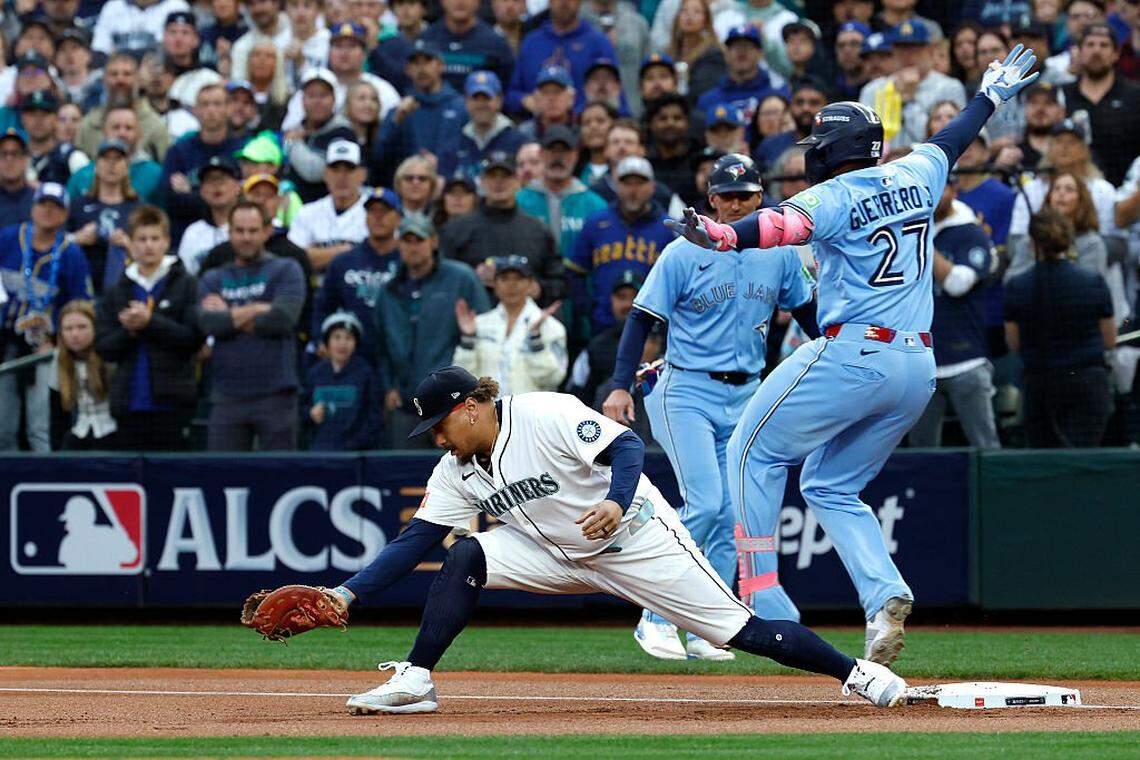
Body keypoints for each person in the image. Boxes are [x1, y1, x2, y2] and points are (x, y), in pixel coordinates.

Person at [669, 45, 1041, 663]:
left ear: (828, 153)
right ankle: (884, 595)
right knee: (831, 485)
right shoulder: (917, 173)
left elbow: (780, 228)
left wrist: (726, 232)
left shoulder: (835, 195)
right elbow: (953, 137)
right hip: (917, 365)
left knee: (750, 447)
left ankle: (761, 592)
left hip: (856, 353)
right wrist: (991, 96)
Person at [324, 366, 907, 714]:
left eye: (441, 425)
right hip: (554, 553)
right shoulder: (456, 470)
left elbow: (626, 446)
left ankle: (859, 674)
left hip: (635, 539)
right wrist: (345, 596)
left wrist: (615, 499)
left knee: (743, 631)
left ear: (472, 407)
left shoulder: (542, 413)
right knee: (466, 554)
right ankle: (417, 678)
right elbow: (415, 540)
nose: (437, 440)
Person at [604, 152, 817, 660]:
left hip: (747, 391)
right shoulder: (684, 250)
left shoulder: (781, 253)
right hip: (687, 389)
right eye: (727, 195)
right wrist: (618, 387)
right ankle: (653, 615)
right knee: (706, 503)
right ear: (712, 200)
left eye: (746, 195)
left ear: (761, 198)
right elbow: (640, 319)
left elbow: (807, 313)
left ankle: (708, 626)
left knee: (730, 513)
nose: (736, 203)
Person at [374, 213, 490, 446]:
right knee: (404, 476)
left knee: (458, 473)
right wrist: (389, 386)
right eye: (407, 241)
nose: (413, 247)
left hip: (453, 402)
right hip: (406, 401)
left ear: (433, 242)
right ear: (399, 244)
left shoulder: (461, 278)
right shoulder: (389, 290)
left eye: (420, 240)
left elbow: (486, 331)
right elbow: (380, 345)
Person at [199, 200, 307, 451]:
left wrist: (229, 315)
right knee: (223, 478)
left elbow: (283, 318)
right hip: (226, 396)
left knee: (281, 477)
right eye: (239, 230)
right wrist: (259, 308)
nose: (246, 237)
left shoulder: (287, 269)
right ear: (229, 233)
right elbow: (209, 323)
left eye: (253, 230)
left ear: (266, 232)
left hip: (276, 394)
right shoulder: (213, 277)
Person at [1004, 206, 1116, 447]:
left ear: (1032, 242)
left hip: (1040, 387)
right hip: (1087, 383)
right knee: (1083, 463)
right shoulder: (1092, 282)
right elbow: (1109, 339)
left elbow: (1014, 343)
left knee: (1046, 466)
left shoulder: (1017, 286)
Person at [96, 205, 201, 451]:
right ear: (130, 244)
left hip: (173, 403)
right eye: (141, 239)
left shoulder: (186, 284)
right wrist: (130, 331)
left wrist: (150, 322)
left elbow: (192, 338)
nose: (148, 245)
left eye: (155, 238)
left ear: (167, 241)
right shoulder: (117, 290)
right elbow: (103, 347)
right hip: (127, 402)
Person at [906, 177, 1001, 450]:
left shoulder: (970, 232)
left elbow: (957, 283)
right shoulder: (902, 232)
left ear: (952, 190)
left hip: (966, 360)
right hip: (920, 364)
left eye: (940, 188)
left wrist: (921, 240)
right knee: (922, 452)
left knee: (986, 447)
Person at [0, 182, 94, 452]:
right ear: (33, 207)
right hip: (4, 341)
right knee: (3, 427)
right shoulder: (7, 238)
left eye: (56, 207)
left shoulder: (71, 254)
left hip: (44, 348)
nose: (48, 212)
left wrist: (57, 340)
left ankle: (42, 482)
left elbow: (81, 305)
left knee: (39, 428)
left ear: (65, 215)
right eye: (43, 205)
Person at [439, 151, 564, 306]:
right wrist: (472, 278)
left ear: (518, 181)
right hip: (475, 322)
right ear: (482, 182)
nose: (499, 182)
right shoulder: (456, 230)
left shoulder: (538, 231)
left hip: (526, 324)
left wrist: (538, 289)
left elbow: (560, 282)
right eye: (493, 176)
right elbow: (440, 282)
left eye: (505, 176)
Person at [569, 156, 673, 336]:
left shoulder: (668, 228)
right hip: (603, 326)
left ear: (652, 186)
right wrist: (588, 307)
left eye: (639, 183)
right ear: (616, 185)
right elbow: (574, 270)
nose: (633, 190)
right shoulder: (597, 222)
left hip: (652, 329)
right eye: (627, 183)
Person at [312, 186, 402, 363]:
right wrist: (319, 339)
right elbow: (324, 306)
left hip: (396, 352)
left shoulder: (407, 261)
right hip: (354, 355)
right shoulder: (343, 261)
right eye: (372, 211)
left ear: (398, 218)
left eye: (385, 211)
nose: (378, 217)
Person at [453, 256, 567, 395]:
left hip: (532, 413)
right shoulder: (479, 324)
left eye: (519, 278)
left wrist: (535, 340)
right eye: (504, 279)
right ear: (494, 284)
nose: (511, 285)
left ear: (531, 283)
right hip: (488, 413)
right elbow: (462, 379)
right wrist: (468, 340)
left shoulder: (551, 327)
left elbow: (553, 379)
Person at [158, 82, 247, 241]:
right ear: (195, 110)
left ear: (228, 109)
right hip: (185, 236)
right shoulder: (178, 152)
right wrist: (222, 197)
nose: (211, 110)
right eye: (205, 104)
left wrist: (192, 191)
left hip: (235, 236)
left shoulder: (243, 150)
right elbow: (171, 201)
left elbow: (244, 198)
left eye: (217, 104)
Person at [859, 21, 966, 149]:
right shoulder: (873, 89)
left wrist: (910, 101)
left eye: (915, 49)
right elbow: (864, 140)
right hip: (884, 164)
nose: (907, 56)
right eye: (901, 49)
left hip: (929, 164)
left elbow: (946, 140)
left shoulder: (950, 87)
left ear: (930, 51)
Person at [373, 39, 466, 185]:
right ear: (408, 69)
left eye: (427, 61)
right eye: (415, 63)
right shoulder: (399, 111)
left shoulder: (461, 107)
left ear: (441, 66)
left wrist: (444, 169)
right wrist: (396, 122)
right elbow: (380, 158)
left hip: (450, 188)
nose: (421, 69)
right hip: (409, 188)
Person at [1060, 22, 1140, 187]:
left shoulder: (1135, 95)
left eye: (1104, 45)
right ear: (1079, 51)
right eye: (1090, 45)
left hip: (1128, 193)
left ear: (1116, 53)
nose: (1096, 51)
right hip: (1074, 192)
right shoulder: (1062, 95)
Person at [506, 0, 617, 115]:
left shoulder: (598, 43)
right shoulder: (531, 43)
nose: (564, 2)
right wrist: (524, 100)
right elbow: (511, 95)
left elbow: (616, 97)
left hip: (584, 126)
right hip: (537, 126)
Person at [516, 126, 608, 259]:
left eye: (564, 152)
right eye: (552, 151)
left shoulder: (595, 205)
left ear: (575, 155)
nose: (558, 158)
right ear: (541, 154)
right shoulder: (520, 201)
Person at [68, 139, 140, 296]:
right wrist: (77, 238)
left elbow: (153, 250)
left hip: (125, 289)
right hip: (82, 285)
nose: (111, 164)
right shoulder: (78, 206)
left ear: (127, 166)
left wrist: (129, 246)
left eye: (117, 159)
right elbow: (56, 242)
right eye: (106, 158)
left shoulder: (138, 208)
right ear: (96, 165)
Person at [288, 139, 369, 274]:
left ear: (362, 174)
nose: (342, 177)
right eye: (335, 170)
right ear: (325, 174)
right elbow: (296, 260)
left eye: (349, 170)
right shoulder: (307, 212)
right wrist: (348, 250)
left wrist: (317, 253)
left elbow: (373, 259)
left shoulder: (374, 211)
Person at [304, 310, 382, 450]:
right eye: (337, 337)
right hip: (319, 450)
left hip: (355, 453)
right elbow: (300, 409)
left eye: (348, 338)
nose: (343, 344)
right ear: (327, 342)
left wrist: (355, 444)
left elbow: (373, 417)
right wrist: (310, 414)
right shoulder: (314, 373)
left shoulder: (365, 373)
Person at [75, 52, 171, 163]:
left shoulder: (155, 125)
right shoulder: (89, 124)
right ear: (104, 80)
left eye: (127, 74)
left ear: (138, 79)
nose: (120, 80)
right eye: (114, 74)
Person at [282, 68, 358, 203]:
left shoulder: (344, 133)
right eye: (311, 95)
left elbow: (315, 172)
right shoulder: (295, 129)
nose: (317, 101)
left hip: (327, 209)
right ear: (302, 100)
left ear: (334, 99)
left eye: (323, 95)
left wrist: (296, 143)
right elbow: (284, 162)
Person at [695, 26, 789, 131]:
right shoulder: (708, 101)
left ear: (760, 54)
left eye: (748, 46)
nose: (741, 52)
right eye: (735, 47)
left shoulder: (777, 95)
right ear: (726, 54)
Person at [52, 300, 116, 450]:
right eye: (68, 329)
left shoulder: (110, 356)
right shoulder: (58, 360)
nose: (75, 334)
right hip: (79, 432)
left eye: (82, 327)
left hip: (112, 432)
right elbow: (57, 414)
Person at [68, 104, 163, 205]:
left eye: (129, 128)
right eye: (116, 127)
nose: (122, 133)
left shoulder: (156, 174)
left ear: (139, 134)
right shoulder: (82, 175)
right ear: (104, 132)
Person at [419, 0, 515, 93]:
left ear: (478, 1)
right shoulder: (425, 40)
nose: (460, 2)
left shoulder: (497, 44)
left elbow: (507, 91)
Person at [452, 71, 523, 181]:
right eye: (476, 99)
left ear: (499, 100)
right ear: (466, 101)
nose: (480, 105)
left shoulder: (518, 141)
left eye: (486, 99)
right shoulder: (456, 140)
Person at [177, 156, 242, 275]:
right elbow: (185, 276)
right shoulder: (193, 232)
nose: (216, 186)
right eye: (209, 180)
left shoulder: (249, 227)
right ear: (201, 190)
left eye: (222, 179)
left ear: (238, 186)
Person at [21, 90, 88, 187]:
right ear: (22, 119)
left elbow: (87, 197)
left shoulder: (72, 157)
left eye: (45, 114)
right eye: (32, 114)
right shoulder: (11, 155)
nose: (38, 120)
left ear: (56, 119)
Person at [665, 0, 727, 104]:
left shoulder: (714, 54)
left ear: (706, 20)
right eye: (684, 11)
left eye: (697, 12)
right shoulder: (668, 53)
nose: (689, 16)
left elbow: (703, 89)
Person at [92, 0, 191, 59]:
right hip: (121, 71)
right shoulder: (113, 6)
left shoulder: (176, 5)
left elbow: (174, 50)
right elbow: (100, 49)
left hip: (159, 70)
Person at [0, 128, 35, 222]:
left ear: (26, 160)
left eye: (15, 153)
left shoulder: (39, 200)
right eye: (3, 154)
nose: (9, 159)